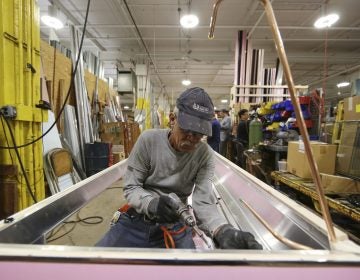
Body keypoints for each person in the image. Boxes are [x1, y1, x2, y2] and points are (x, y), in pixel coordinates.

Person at [96, 87, 262, 250]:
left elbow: (203, 201)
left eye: (198, 133)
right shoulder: (148, 141)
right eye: (187, 129)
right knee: (94, 263)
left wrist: (222, 230)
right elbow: (132, 186)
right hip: (138, 220)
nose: (191, 138)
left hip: (175, 224)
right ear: (172, 119)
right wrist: (151, 204)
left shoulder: (205, 155)